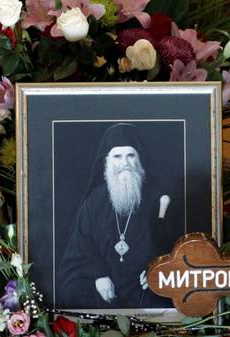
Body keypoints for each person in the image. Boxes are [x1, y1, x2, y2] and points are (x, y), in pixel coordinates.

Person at [58, 123, 177, 309]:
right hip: (106, 285)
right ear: (106, 162)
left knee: (163, 294)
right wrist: (98, 275)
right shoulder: (94, 201)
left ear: (139, 159)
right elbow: (80, 249)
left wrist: (156, 269)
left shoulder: (157, 198)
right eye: (117, 156)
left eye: (130, 155)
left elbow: (169, 244)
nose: (125, 163)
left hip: (142, 285)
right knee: (71, 291)